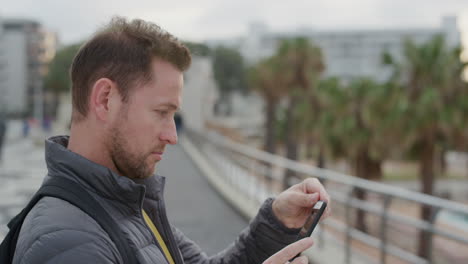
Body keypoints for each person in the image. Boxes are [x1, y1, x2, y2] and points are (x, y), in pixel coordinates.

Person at [12, 17, 330, 264]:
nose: (172, 135)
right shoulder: (68, 244)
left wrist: (276, 220)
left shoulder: (125, 202)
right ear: (105, 99)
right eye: (162, 112)